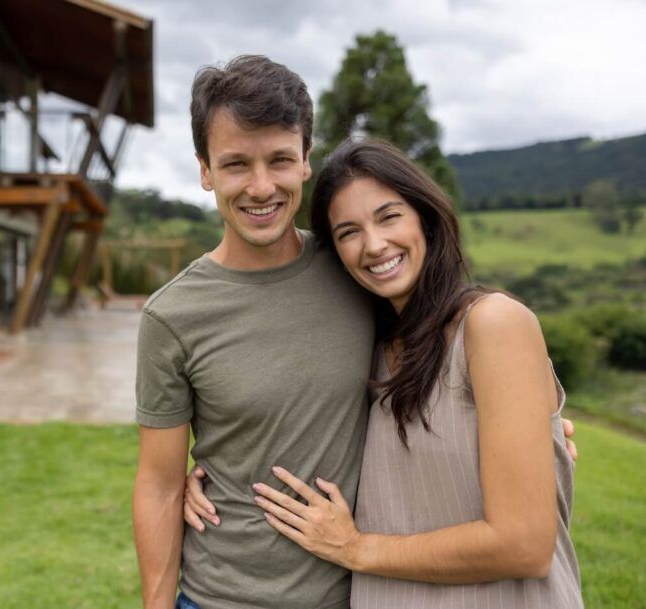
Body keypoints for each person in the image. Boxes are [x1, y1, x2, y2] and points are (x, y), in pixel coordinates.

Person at [184, 139, 584, 608]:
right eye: (348, 232)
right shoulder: (368, 347)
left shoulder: (491, 323)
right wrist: (213, 476)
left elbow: (524, 546)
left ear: (425, 218)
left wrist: (355, 548)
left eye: (389, 216)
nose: (374, 245)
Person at [132, 55, 375, 609]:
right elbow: (160, 485)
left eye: (280, 160)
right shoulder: (172, 316)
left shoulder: (355, 269)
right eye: (237, 163)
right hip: (217, 597)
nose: (261, 187)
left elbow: (439, 363)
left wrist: (532, 429)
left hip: (354, 594)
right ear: (205, 170)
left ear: (307, 161)